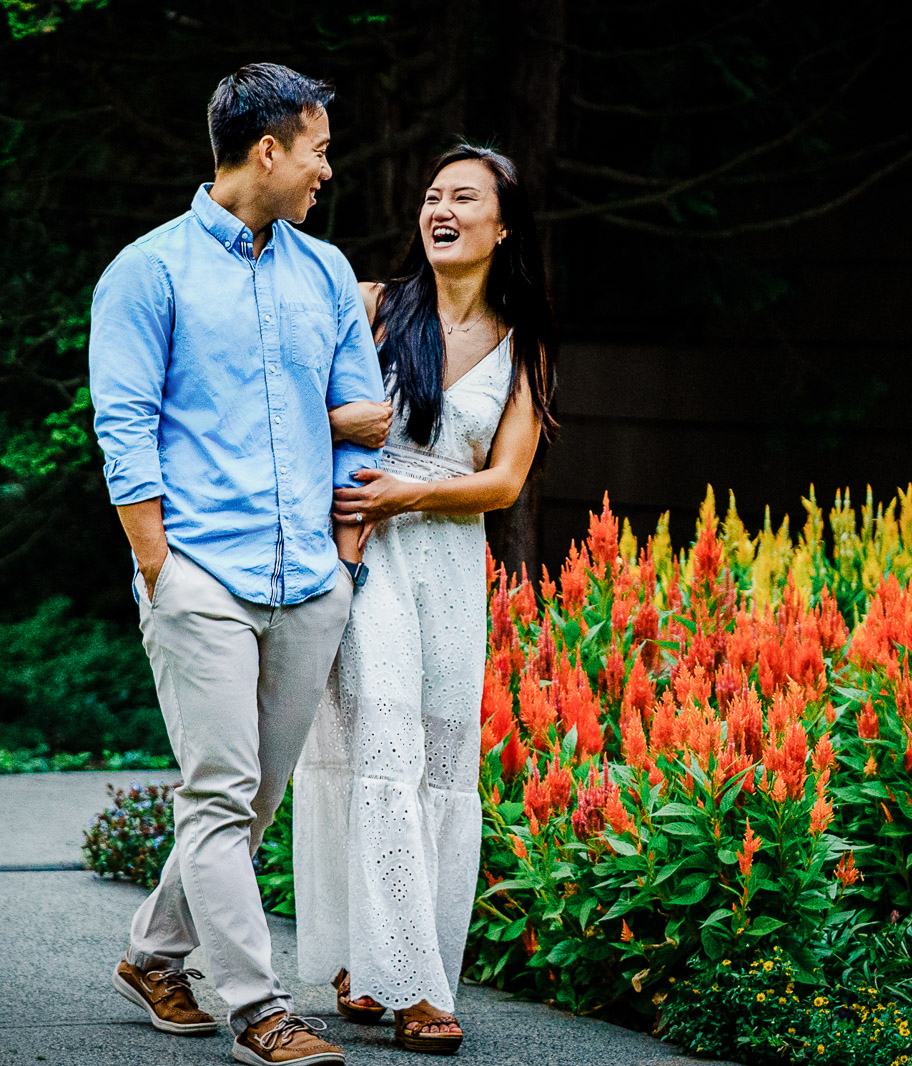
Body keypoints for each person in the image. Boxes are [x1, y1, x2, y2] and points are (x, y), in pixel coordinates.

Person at [88, 63, 384, 1066]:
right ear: (269, 150)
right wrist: (159, 571)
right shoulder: (148, 273)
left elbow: (358, 420)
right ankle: (257, 1006)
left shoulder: (328, 274)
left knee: (252, 796)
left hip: (308, 576)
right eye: (318, 148)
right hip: (199, 574)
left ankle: (155, 952)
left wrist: (343, 559)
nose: (325, 169)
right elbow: (123, 433)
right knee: (219, 792)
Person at [293, 145, 559, 1055]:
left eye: (464, 198)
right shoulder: (369, 306)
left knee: (438, 764)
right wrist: (347, 448)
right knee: (381, 750)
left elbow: (503, 484)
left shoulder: (525, 344)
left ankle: (380, 960)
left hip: (446, 564)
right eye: (432, 194)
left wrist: (408, 494)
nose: (440, 208)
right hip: (360, 554)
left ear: (503, 227)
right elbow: (285, 405)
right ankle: (408, 986)